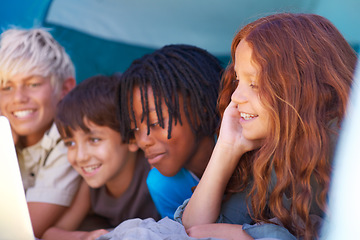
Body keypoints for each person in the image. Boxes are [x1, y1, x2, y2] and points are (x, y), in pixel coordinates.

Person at [178, 13, 358, 240]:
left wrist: (251, 235)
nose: (235, 97)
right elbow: (193, 228)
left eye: (254, 83)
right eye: (237, 80)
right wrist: (227, 148)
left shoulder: (347, 148)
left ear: (302, 85)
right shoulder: (269, 150)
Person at [42, 75, 160, 240]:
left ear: (132, 138)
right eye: (70, 143)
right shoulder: (90, 185)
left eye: (94, 140)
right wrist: (86, 237)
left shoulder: (156, 174)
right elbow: (50, 233)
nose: (81, 157)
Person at [116, 44, 223, 219]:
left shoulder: (254, 156)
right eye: (135, 128)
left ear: (201, 107)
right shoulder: (162, 186)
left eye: (156, 122)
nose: (143, 141)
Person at [0, 28, 81, 238]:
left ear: (65, 88)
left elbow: (18, 231)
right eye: (6, 87)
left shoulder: (71, 140)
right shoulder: (6, 135)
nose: (18, 98)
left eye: (33, 84)